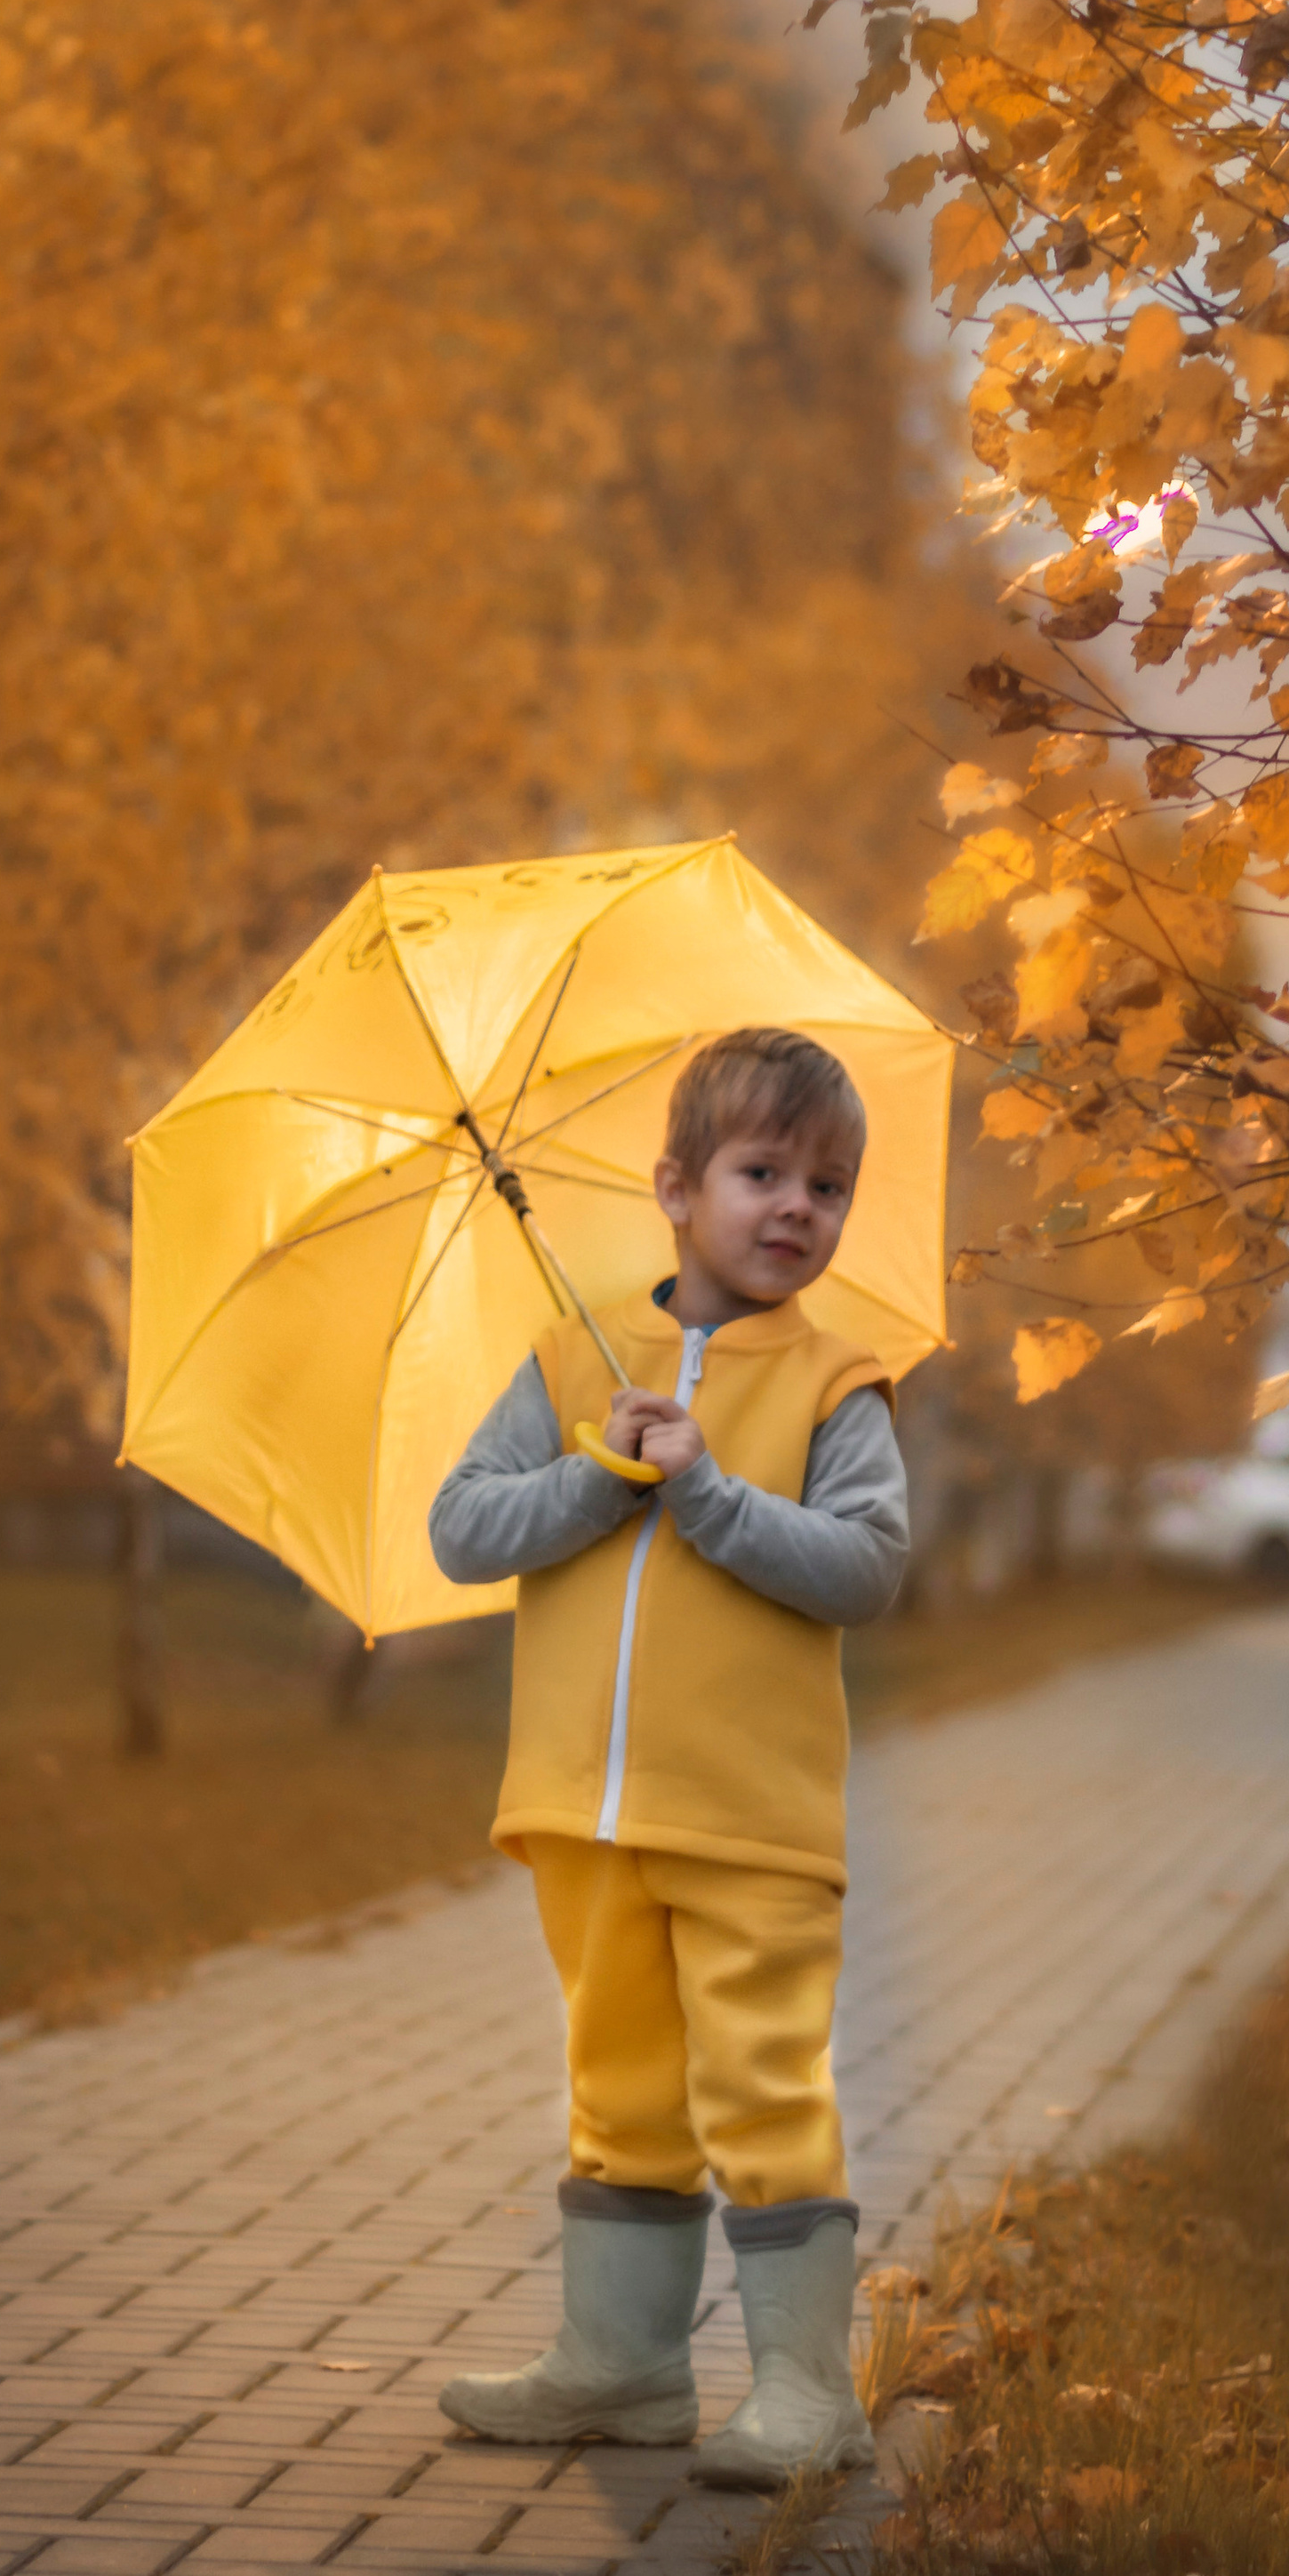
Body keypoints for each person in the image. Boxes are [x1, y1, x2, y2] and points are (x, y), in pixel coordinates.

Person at [426, 1026, 909, 2485]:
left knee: (762, 2086)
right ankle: (623, 2366)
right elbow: (464, 1528)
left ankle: (806, 2389)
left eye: (827, 1187)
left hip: (750, 1818)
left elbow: (869, 1567)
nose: (795, 1211)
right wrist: (601, 1472)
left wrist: (709, 1497)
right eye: (762, 1172)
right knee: (621, 2085)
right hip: (582, 1808)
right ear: (675, 1188)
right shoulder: (572, 1356)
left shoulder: (839, 1384)